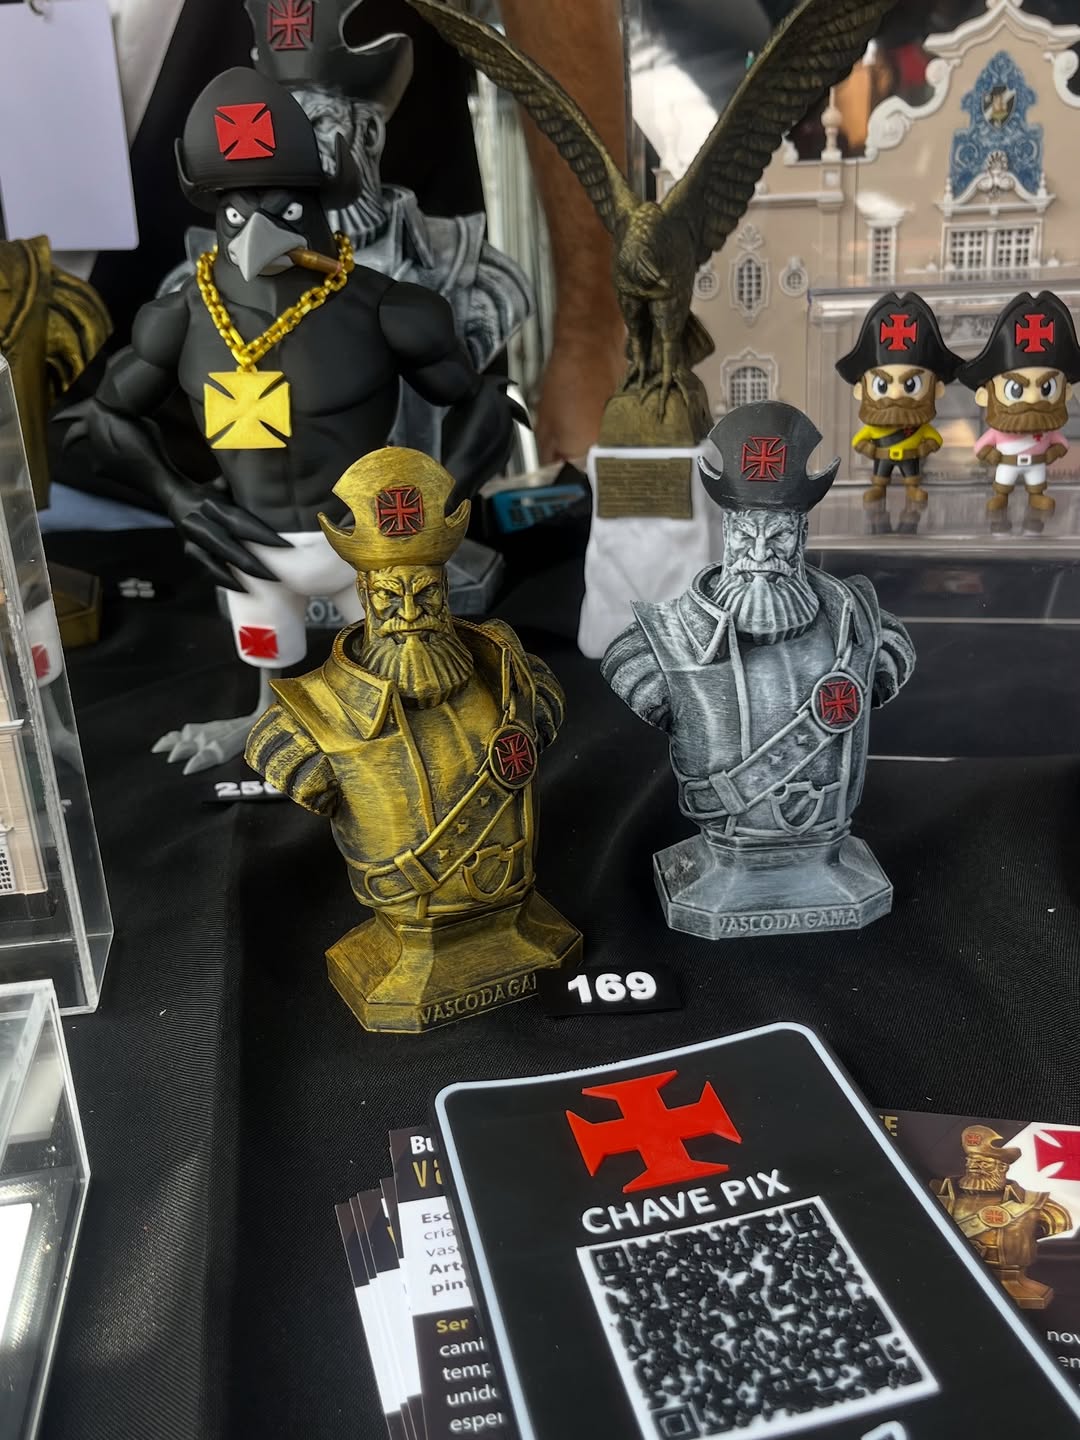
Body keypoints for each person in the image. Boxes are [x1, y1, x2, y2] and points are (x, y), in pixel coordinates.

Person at [79, 0, 627, 467]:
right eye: (286, 127)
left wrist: (592, 334)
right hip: (157, 476)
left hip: (414, 527)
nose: (298, 152)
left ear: (366, 132)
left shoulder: (465, 283)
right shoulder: (191, 291)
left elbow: (482, 412)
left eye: (318, 123)